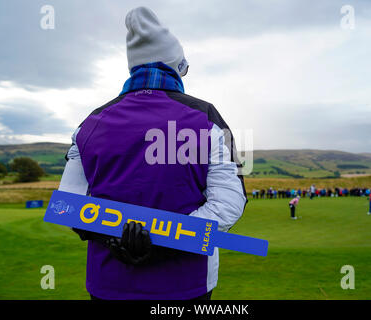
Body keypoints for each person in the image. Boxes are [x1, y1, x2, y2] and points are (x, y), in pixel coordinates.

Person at [58, 7, 247, 300]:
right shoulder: (206, 116)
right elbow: (230, 204)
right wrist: (160, 241)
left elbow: (68, 206)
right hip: (186, 283)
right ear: (175, 66)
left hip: (108, 282)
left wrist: (115, 236)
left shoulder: (89, 123)